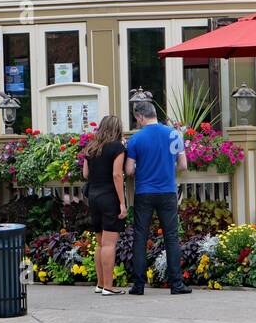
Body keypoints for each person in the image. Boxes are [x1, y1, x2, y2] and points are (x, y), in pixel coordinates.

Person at [125, 99, 189, 296]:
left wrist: (141, 170)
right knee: (171, 237)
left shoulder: (136, 139)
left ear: (141, 117)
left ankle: (138, 285)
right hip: (167, 191)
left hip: (144, 192)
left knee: (140, 237)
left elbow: (128, 170)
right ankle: (176, 284)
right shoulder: (173, 134)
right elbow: (183, 165)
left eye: (137, 119)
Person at [81, 116, 127, 295]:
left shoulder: (91, 147)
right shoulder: (117, 147)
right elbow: (117, 175)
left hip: (93, 197)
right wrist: (122, 203)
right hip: (109, 198)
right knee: (109, 244)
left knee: (100, 244)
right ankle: (108, 286)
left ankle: (100, 284)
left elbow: (85, 174)